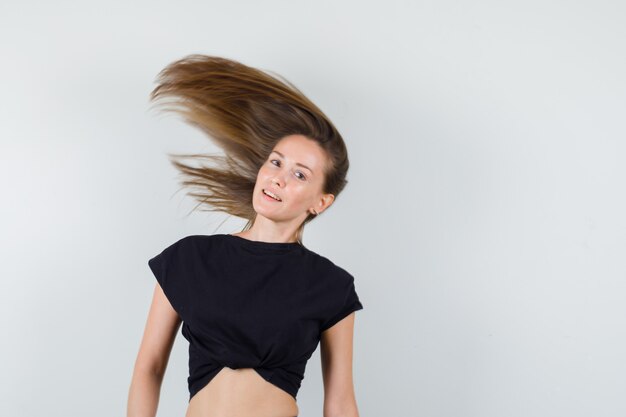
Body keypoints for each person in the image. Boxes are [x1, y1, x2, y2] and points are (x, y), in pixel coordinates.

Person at [127, 55, 364, 417]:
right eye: (275, 161)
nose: (278, 178)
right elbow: (148, 368)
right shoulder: (189, 259)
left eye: (300, 175)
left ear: (321, 201)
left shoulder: (330, 286)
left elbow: (341, 401)